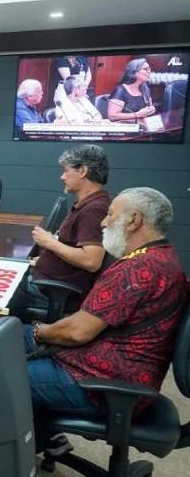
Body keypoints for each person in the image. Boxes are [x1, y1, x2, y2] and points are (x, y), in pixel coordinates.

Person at [23, 187, 187, 461]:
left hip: (104, 385)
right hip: (117, 368)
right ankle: (45, 437)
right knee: (8, 339)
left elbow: (77, 332)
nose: (103, 221)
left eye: (111, 215)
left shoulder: (138, 269)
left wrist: (40, 332)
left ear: (134, 221)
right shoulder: (161, 258)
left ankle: (16, 470)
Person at [8, 145, 110, 320]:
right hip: (46, 281)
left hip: (50, 291)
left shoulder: (94, 210)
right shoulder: (90, 204)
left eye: (66, 170)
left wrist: (49, 243)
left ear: (83, 170)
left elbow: (92, 260)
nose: (62, 177)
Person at [107, 58, 156, 122]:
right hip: (125, 128)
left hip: (142, 127)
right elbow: (112, 116)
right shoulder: (120, 91)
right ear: (134, 72)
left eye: (149, 69)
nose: (149, 71)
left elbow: (149, 108)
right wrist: (136, 114)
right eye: (145, 69)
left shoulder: (146, 89)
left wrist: (151, 110)